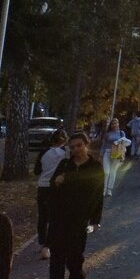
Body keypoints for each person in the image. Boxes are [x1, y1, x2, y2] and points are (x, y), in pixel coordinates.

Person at [48, 131, 104, 279]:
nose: (76, 150)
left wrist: (95, 220)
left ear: (86, 145)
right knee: (57, 257)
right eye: (72, 147)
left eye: (79, 145)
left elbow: (98, 195)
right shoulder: (65, 164)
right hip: (59, 218)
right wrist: (56, 182)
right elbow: (52, 187)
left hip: (79, 220)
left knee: (75, 258)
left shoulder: (95, 167)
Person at [35, 129, 68, 261]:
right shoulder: (65, 153)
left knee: (42, 217)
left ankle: (42, 242)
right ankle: (47, 247)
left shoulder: (44, 152)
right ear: (64, 140)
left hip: (42, 186)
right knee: (54, 217)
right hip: (55, 187)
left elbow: (37, 170)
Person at [100, 118, 131, 197]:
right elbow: (103, 144)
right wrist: (101, 154)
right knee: (106, 172)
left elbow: (126, 143)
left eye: (116, 123)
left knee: (113, 171)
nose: (114, 125)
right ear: (110, 125)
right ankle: (104, 189)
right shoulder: (107, 133)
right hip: (107, 152)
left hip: (117, 154)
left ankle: (109, 190)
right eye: (112, 123)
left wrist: (122, 153)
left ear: (118, 124)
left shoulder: (121, 133)